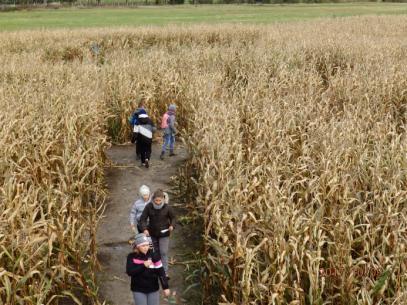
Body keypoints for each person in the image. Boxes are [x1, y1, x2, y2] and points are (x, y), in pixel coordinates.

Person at [126, 233, 170, 305]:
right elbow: (129, 272)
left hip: (153, 289)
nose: (146, 248)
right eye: (143, 246)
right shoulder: (131, 257)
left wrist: (165, 287)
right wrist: (143, 265)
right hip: (138, 289)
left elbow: (161, 272)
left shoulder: (154, 256)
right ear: (137, 246)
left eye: (147, 245)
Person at [140, 189, 176, 277]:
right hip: (152, 233)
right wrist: (144, 229)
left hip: (164, 234)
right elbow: (143, 219)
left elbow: (174, 218)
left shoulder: (167, 208)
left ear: (163, 199)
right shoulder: (149, 207)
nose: (158, 202)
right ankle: (155, 269)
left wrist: (172, 226)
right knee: (154, 252)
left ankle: (164, 271)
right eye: (156, 200)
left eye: (160, 200)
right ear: (153, 199)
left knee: (163, 252)